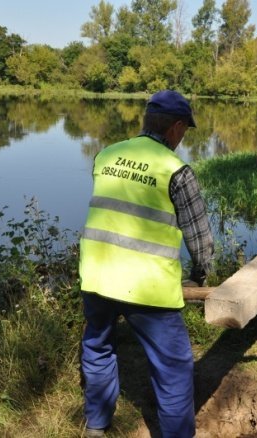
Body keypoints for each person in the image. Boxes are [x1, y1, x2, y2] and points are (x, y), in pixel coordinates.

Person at [78, 90, 213, 438]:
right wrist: (201, 273)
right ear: (176, 127)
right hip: (148, 288)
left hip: (96, 277)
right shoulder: (176, 169)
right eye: (185, 131)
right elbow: (199, 237)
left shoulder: (106, 155)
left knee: (98, 347)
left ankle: (97, 425)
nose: (183, 139)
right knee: (173, 366)